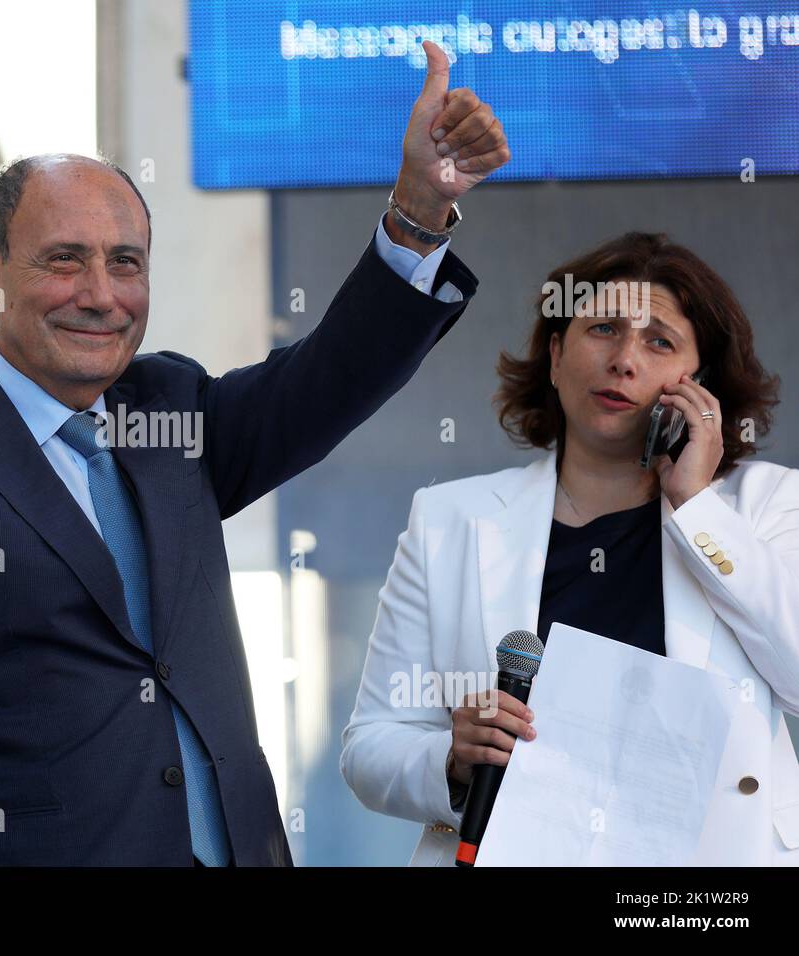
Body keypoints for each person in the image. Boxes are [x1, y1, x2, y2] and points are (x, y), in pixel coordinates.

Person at [0, 41, 509, 866]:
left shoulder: (173, 407)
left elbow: (332, 378)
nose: (101, 295)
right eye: (64, 259)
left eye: (125, 263)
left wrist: (419, 212)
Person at [340, 231, 799, 865]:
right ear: (555, 358)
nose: (625, 360)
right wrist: (452, 758)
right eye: (604, 329)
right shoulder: (450, 519)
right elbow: (370, 745)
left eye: (659, 341)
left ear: (701, 389)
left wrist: (697, 507)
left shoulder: (764, 506)